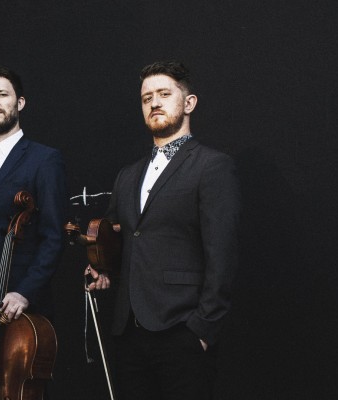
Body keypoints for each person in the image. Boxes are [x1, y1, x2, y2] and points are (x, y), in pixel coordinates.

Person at [87, 61, 241, 400]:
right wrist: (100, 266)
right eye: (147, 98)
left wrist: (202, 330)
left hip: (182, 331)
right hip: (129, 333)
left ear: (189, 103)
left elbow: (223, 255)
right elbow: (118, 240)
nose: (154, 103)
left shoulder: (212, 166)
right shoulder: (127, 175)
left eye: (164, 94)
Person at [0, 65, 67, 321]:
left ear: (20, 103)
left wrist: (25, 292)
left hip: (20, 307)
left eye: (2, 94)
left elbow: (53, 236)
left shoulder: (44, 160)